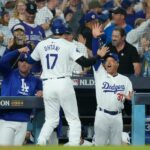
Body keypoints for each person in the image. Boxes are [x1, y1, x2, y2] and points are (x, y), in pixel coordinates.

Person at [28, 17, 103, 146]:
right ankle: (74, 145)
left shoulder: (42, 44)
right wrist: (98, 56)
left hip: (48, 84)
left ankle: (40, 142)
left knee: (51, 120)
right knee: (73, 119)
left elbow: (30, 61)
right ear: (63, 30)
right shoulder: (68, 44)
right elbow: (85, 62)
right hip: (63, 82)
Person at [0, 47, 43, 146]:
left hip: (24, 121)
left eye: (27, 61)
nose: (23, 64)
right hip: (6, 119)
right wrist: (18, 51)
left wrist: (42, 92)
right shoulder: (9, 73)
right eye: (21, 61)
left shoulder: (35, 80)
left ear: (31, 65)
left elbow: (47, 91)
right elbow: (2, 61)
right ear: (18, 63)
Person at [92, 47, 133, 145]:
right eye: (106, 61)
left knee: (116, 145)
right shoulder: (100, 75)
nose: (108, 63)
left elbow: (130, 97)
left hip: (117, 116)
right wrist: (95, 39)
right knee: (100, 145)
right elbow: (95, 60)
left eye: (112, 60)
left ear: (117, 64)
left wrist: (130, 99)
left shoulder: (125, 80)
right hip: (102, 115)